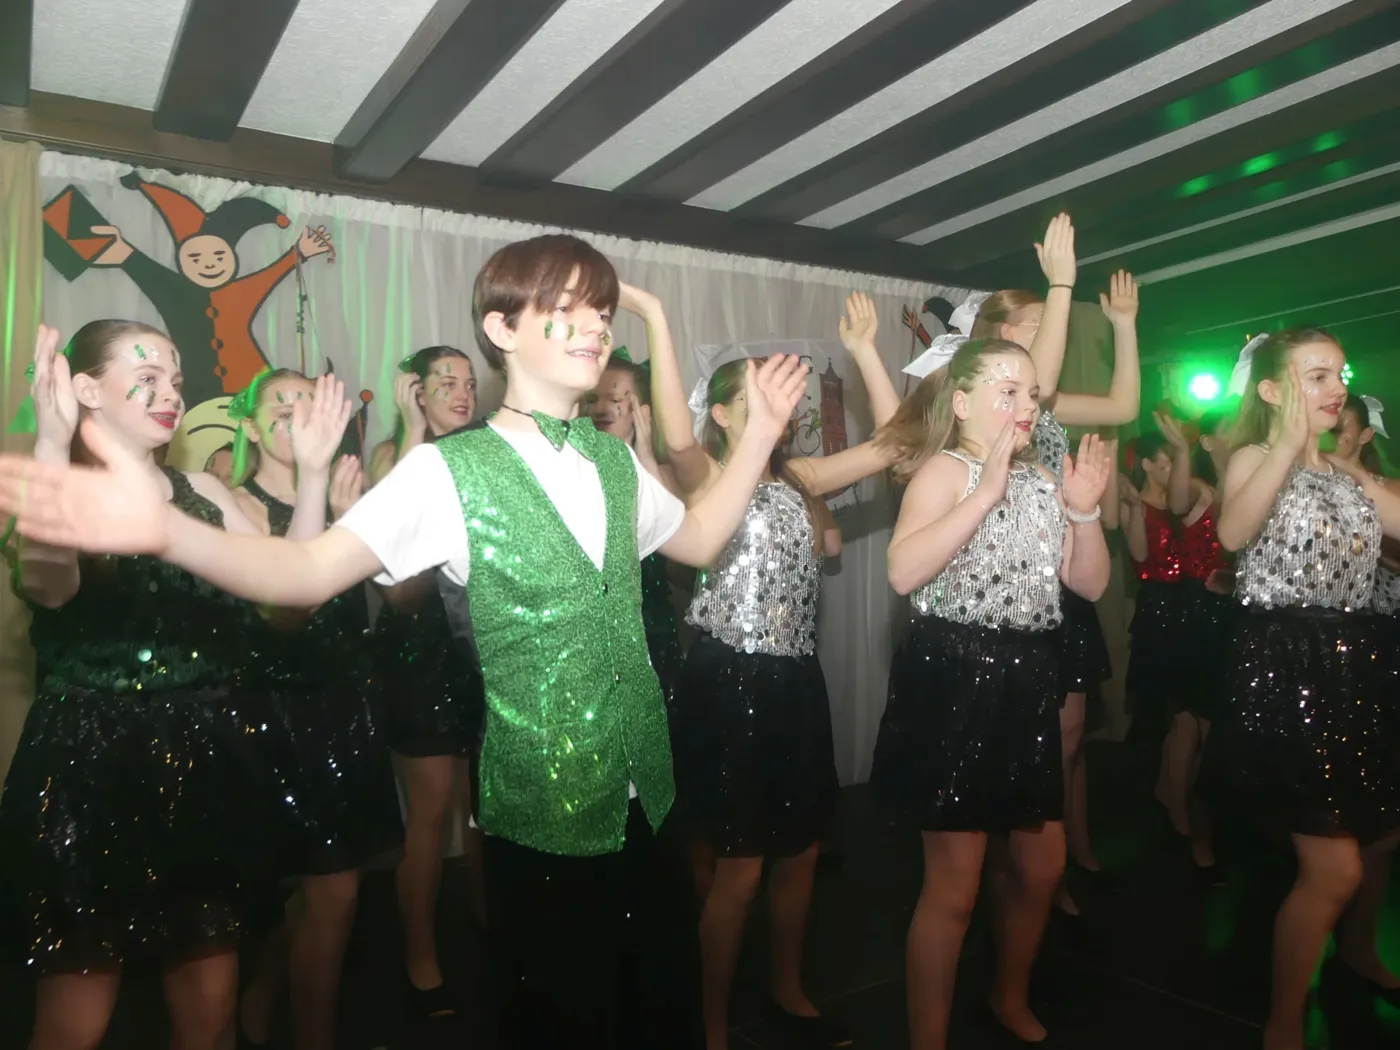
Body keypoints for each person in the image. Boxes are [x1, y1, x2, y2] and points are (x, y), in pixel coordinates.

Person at [0, 234, 810, 1050]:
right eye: (568, 308)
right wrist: (169, 531)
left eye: (602, 311)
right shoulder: (445, 471)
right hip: (545, 817)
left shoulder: (615, 461)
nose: (597, 326)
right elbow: (308, 571)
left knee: (660, 1015)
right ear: (502, 328)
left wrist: (756, 437)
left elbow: (700, 539)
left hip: (650, 802)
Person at [0, 321, 276, 1050]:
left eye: (176, 380)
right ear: (85, 390)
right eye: (147, 376)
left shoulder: (205, 490)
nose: (171, 393)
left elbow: (287, 596)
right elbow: (48, 586)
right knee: (76, 1021)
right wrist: (53, 443)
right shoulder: (57, 485)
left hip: (203, 758)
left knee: (209, 1009)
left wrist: (310, 476)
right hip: (89, 767)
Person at [645, 289, 900, 1050]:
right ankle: (711, 1023)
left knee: (803, 853)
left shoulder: (801, 479)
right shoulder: (703, 476)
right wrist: (657, 317)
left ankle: (788, 988)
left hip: (795, 682)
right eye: (758, 393)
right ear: (724, 414)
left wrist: (865, 352)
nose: (779, 405)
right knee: (741, 870)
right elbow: (673, 435)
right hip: (729, 682)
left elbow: (897, 443)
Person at [869, 337, 1111, 1050]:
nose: (1026, 405)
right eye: (1009, 391)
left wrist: (1084, 512)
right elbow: (903, 572)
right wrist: (983, 495)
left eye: (1031, 393)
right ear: (963, 402)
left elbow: (1090, 584)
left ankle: (1008, 997)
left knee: (1043, 865)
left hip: (1028, 674)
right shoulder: (944, 470)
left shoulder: (1042, 479)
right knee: (956, 885)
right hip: (952, 675)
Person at [1208, 329, 1400, 1050]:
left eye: (1339, 373)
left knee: (1375, 839)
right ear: (1271, 390)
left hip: (1354, 664)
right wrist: (1288, 445)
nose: (1336, 387)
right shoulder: (1255, 457)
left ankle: (1352, 958)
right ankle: (1284, 1022)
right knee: (1334, 866)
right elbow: (1233, 534)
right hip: (1286, 669)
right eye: (1315, 375)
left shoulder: (1349, 475)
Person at [224, 368, 403, 1050]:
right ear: (248, 426)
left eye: (309, 400)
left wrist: (360, 522)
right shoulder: (231, 502)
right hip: (269, 718)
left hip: (343, 712)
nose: (299, 413)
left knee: (333, 892)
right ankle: (274, 1005)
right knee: (295, 894)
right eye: (282, 403)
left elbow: (402, 600)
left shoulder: (340, 497)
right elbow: (286, 610)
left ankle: (289, 1013)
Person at [966, 219, 1140, 896]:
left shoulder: (1052, 399)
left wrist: (1123, 326)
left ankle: (1065, 853)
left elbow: (1125, 403)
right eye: (1038, 324)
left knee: (1068, 738)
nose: (1052, 334)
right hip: (1005, 588)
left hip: (1063, 577)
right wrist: (1062, 285)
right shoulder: (983, 406)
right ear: (1002, 336)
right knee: (1017, 746)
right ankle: (1014, 869)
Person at [367, 345, 483, 1015]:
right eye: (446, 382)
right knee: (432, 811)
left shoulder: (485, 455)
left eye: (469, 382)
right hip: (420, 653)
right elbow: (398, 577)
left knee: (484, 808)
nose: (463, 393)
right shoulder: (395, 456)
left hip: (483, 649)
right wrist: (414, 430)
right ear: (415, 391)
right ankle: (419, 952)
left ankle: (487, 925)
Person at [585, 352, 683, 699]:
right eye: (592, 399)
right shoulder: (573, 472)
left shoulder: (661, 475)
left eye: (614, 400)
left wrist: (645, 454)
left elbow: (685, 556)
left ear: (642, 412)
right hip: (590, 642)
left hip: (652, 634)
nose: (600, 409)